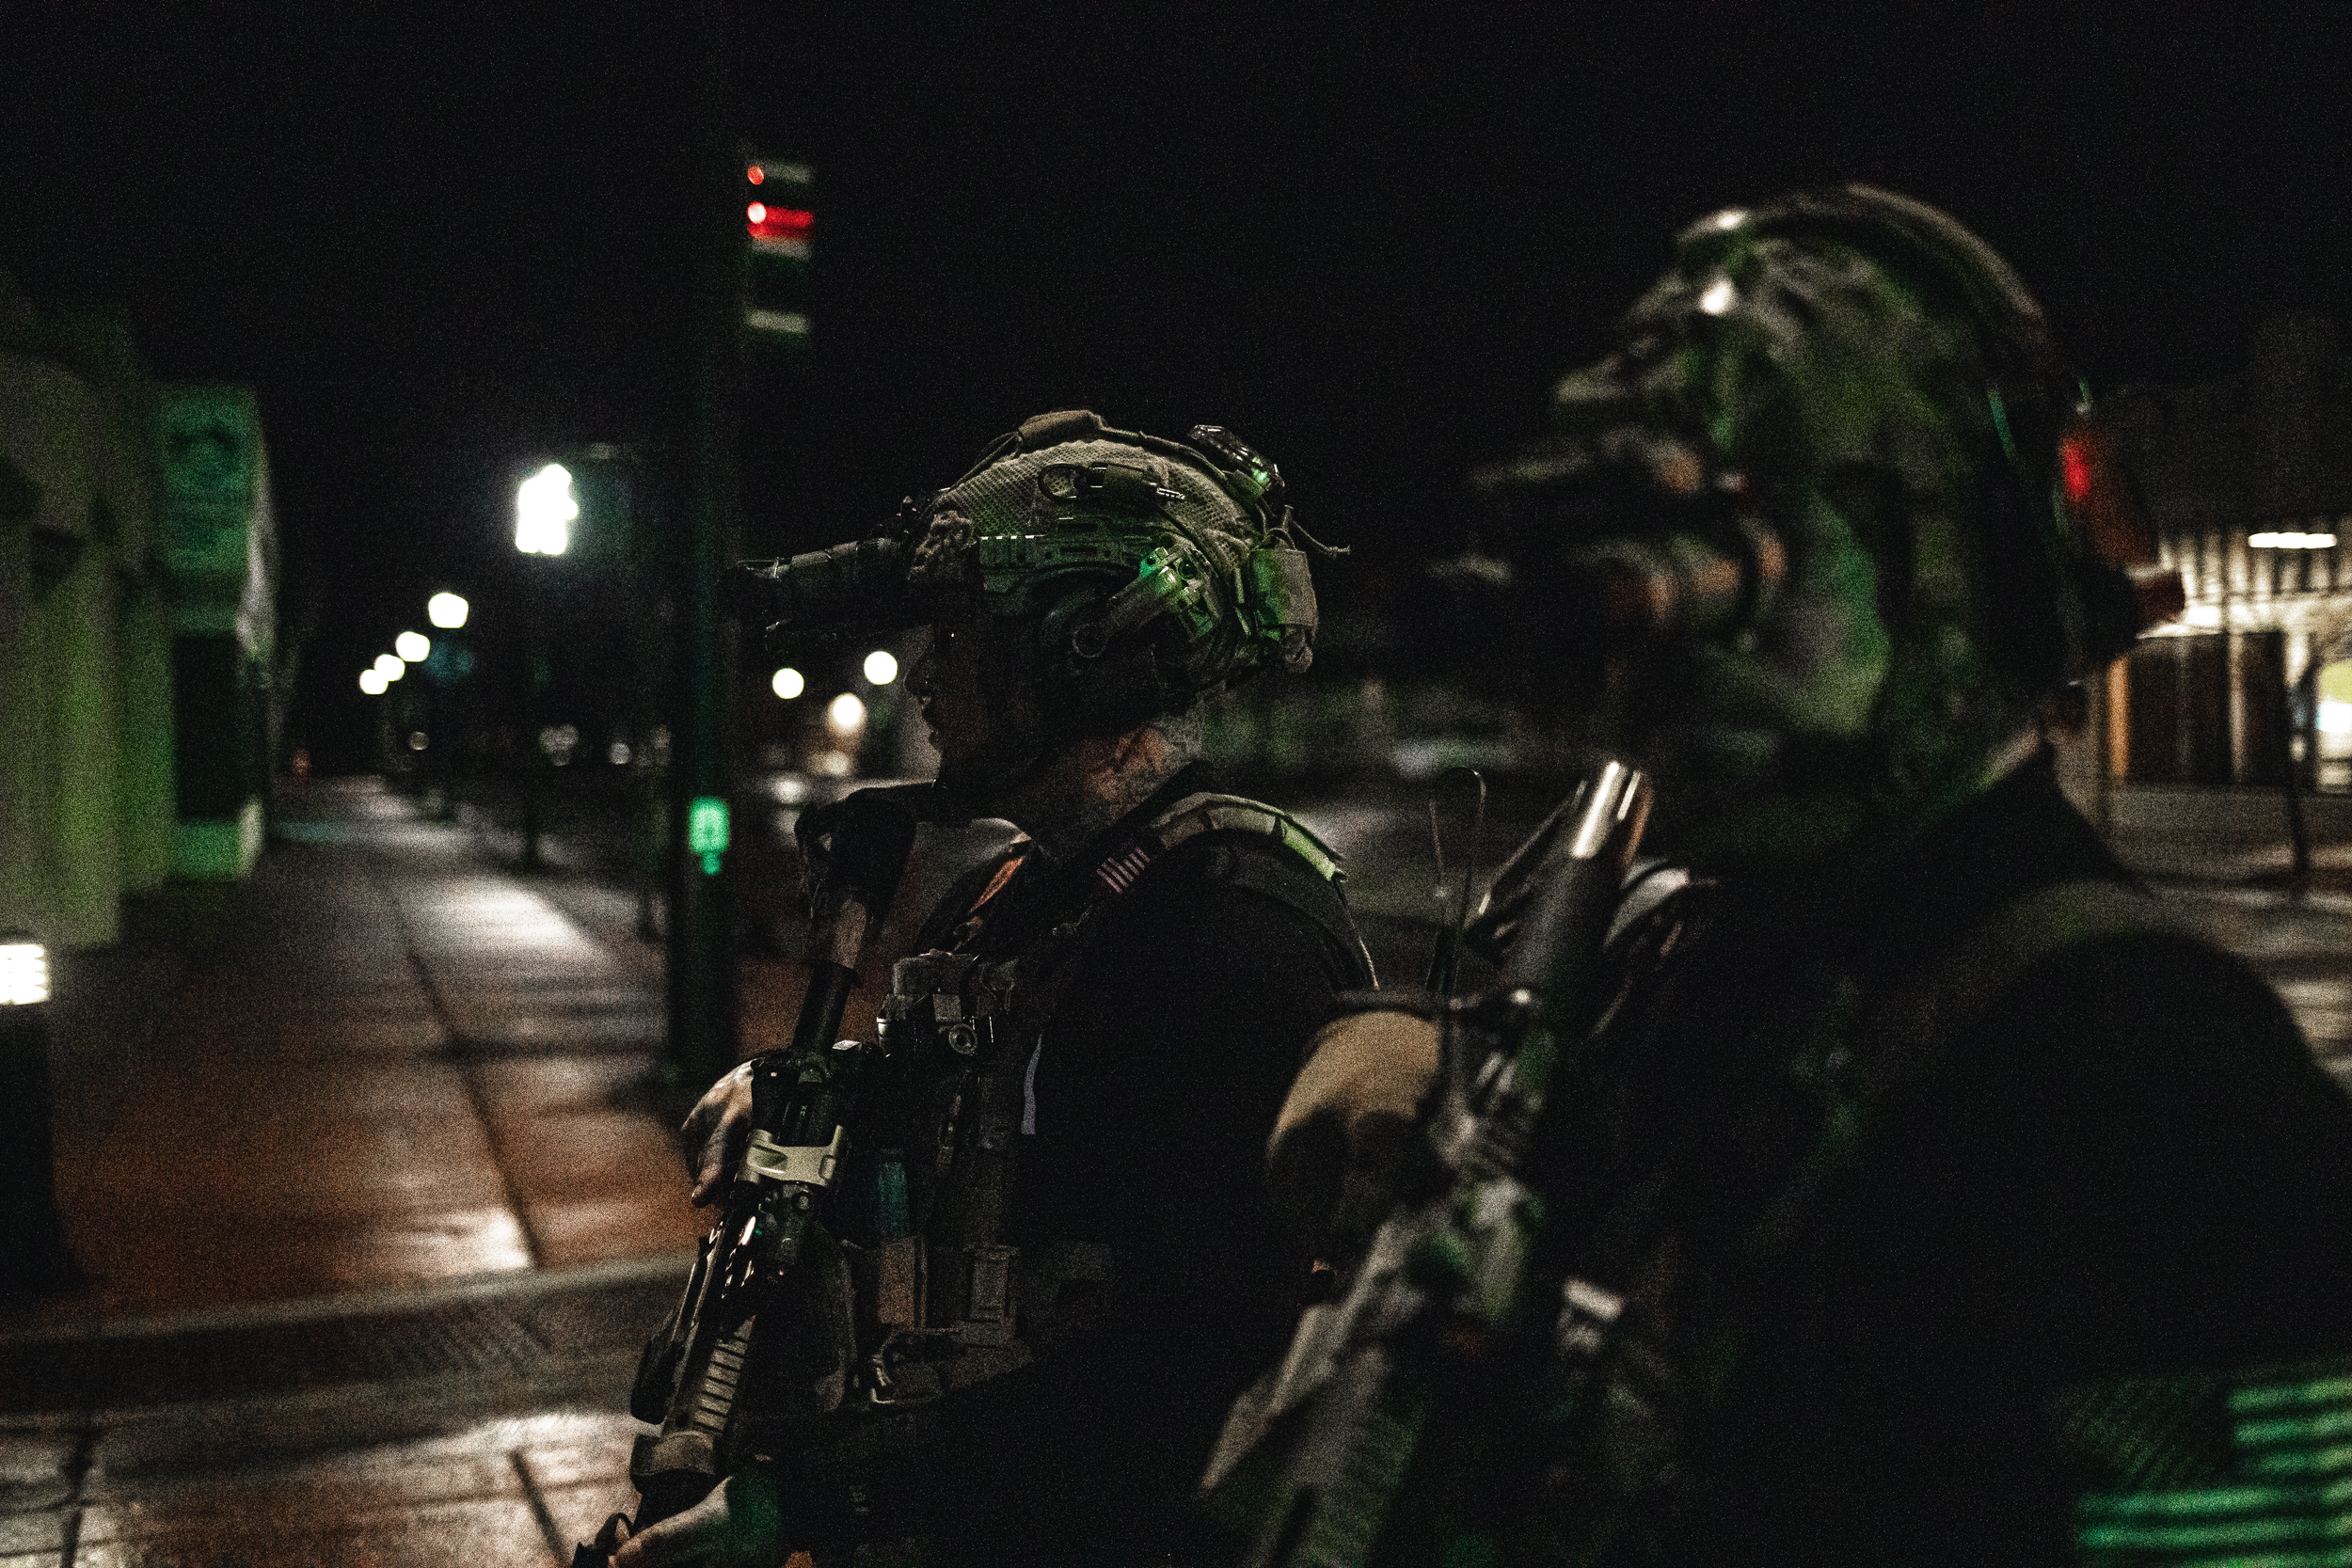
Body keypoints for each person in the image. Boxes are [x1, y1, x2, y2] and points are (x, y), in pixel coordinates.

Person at [1248, 188, 2352, 1565]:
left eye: (1724, 551)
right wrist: (1402, 1053)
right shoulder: (1704, 956)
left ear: (1931, 567)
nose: (1642, 636)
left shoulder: (2154, 1095)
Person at [616, 409, 1375, 1567]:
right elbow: (1006, 1102)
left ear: (1089, 646)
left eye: (960, 638)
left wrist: (809, 1508)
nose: (926, 677)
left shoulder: (1231, 937)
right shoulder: (1030, 887)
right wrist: (808, 1086)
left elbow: (1201, 1380)